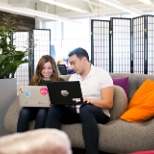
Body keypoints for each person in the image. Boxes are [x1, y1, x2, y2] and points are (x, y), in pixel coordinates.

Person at [45, 47, 114, 154]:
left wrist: (89, 100)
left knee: (85, 109)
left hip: (98, 113)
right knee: (55, 109)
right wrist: (60, 100)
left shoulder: (102, 75)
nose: (72, 67)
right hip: (78, 111)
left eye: (73, 63)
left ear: (84, 60)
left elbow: (108, 103)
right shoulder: (73, 78)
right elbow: (70, 99)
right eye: (70, 64)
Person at [17, 55, 64, 132]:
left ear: (54, 69)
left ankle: (37, 141)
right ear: (39, 68)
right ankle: (20, 140)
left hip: (47, 109)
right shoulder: (35, 81)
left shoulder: (60, 81)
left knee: (42, 112)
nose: (46, 71)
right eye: (43, 68)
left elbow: (63, 98)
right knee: (24, 112)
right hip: (34, 108)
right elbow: (28, 95)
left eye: (49, 68)